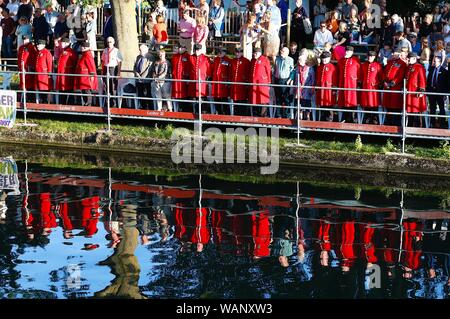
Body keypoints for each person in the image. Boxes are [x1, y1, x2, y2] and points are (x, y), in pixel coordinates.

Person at [383, 50, 407, 126]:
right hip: (387, 87)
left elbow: (401, 75)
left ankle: (396, 123)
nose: (393, 55)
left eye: (395, 53)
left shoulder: (402, 63)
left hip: (395, 86)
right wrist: (385, 81)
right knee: (388, 105)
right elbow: (385, 72)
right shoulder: (390, 62)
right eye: (393, 53)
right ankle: (388, 122)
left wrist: (393, 82)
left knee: (395, 105)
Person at [336, 46, 360, 123]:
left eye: (348, 51)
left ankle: (352, 118)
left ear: (352, 52)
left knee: (351, 100)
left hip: (351, 84)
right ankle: (344, 117)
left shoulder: (355, 60)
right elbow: (338, 72)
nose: (347, 52)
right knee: (343, 100)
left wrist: (358, 82)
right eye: (346, 51)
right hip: (342, 83)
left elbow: (359, 72)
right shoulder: (341, 61)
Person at [361, 51, 384, 124]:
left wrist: (379, 84)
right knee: (366, 102)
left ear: (374, 57)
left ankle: (374, 118)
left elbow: (381, 76)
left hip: (374, 87)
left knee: (374, 103)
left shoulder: (377, 65)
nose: (369, 58)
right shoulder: (364, 65)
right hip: (365, 87)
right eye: (368, 56)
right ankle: (366, 117)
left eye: (371, 56)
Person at [188, 43, 211, 113]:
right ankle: (194, 112)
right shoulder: (191, 57)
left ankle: (203, 112)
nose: (196, 51)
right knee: (193, 98)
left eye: (198, 50)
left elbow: (209, 69)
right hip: (193, 81)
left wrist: (207, 79)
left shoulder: (205, 58)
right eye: (195, 50)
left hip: (202, 82)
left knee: (202, 97)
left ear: (201, 50)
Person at [427, 55, 449, 128]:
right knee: (432, 108)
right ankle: (432, 123)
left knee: (441, 108)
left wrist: (444, 93)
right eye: (434, 61)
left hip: (440, 92)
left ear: (439, 62)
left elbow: (446, 83)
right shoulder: (431, 69)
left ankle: (442, 124)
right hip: (432, 92)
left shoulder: (444, 71)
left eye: (435, 61)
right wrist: (428, 91)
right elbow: (428, 81)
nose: (433, 62)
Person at [291, 53, 315, 121]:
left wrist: (309, 87)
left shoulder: (310, 69)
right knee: (299, 103)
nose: (299, 61)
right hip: (298, 89)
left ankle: (307, 117)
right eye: (299, 60)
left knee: (307, 103)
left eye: (301, 60)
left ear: (305, 61)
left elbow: (312, 79)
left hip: (306, 89)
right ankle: (299, 117)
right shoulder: (296, 69)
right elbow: (294, 78)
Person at [316, 51, 337, 122]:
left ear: (329, 58)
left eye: (326, 58)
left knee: (329, 105)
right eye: (323, 58)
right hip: (321, 88)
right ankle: (322, 120)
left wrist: (334, 89)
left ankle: (330, 121)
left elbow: (334, 78)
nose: (324, 60)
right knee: (321, 105)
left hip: (329, 89)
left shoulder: (332, 67)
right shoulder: (319, 67)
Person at [74, 42, 98, 106]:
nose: (82, 48)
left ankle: (88, 104)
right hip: (83, 76)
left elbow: (91, 65)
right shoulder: (84, 54)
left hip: (86, 76)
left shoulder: (87, 54)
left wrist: (92, 75)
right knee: (84, 90)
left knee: (87, 90)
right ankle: (85, 103)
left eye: (84, 47)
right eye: (82, 46)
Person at [101, 37, 122, 108]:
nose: (109, 43)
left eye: (110, 42)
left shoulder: (116, 51)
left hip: (113, 68)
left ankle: (114, 104)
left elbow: (119, 62)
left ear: (113, 42)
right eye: (108, 42)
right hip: (106, 68)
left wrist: (118, 73)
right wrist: (102, 71)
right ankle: (107, 103)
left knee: (113, 87)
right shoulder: (105, 50)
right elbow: (103, 61)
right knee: (106, 86)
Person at [249, 47, 271, 117]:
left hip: (262, 83)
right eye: (253, 53)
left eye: (255, 53)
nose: (254, 54)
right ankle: (255, 115)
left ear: (260, 53)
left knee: (263, 99)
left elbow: (268, 71)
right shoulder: (252, 60)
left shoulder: (265, 59)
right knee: (254, 99)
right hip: (254, 83)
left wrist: (269, 82)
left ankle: (263, 115)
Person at [273, 47, 294, 118]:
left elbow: (292, 71)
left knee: (286, 98)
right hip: (277, 80)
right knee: (278, 98)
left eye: (283, 51)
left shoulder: (290, 60)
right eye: (281, 50)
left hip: (285, 81)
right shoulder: (277, 59)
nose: (281, 52)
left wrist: (290, 80)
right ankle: (278, 115)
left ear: (287, 53)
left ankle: (286, 115)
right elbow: (275, 70)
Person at [55, 38, 77, 105]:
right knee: (63, 90)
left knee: (69, 90)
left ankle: (69, 105)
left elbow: (74, 62)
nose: (61, 44)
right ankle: (62, 104)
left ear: (66, 43)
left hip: (67, 75)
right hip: (63, 75)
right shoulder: (64, 51)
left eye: (62, 42)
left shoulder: (70, 51)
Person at [230, 46, 251, 116]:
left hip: (242, 85)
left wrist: (247, 83)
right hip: (235, 85)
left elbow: (248, 73)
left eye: (238, 52)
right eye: (236, 52)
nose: (237, 54)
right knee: (235, 102)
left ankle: (243, 117)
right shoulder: (233, 61)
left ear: (241, 53)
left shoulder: (246, 61)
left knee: (243, 102)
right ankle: (236, 117)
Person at [211, 47, 232, 115]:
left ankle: (226, 115)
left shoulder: (228, 60)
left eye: (221, 52)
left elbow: (230, 72)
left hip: (223, 84)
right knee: (216, 99)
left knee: (224, 100)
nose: (219, 53)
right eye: (218, 52)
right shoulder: (216, 59)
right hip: (216, 83)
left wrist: (228, 81)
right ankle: (218, 113)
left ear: (224, 52)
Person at [171, 44, 190, 112]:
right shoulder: (175, 56)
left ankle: (185, 110)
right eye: (179, 48)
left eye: (181, 48)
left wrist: (187, 77)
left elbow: (189, 68)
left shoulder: (188, 56)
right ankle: (178, 109)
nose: (180, 49)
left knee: (184, 95)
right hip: (176, 79)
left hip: (183, 79)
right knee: (176, 94)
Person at [133, 44, 153, 110]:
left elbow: (149, 69)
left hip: (147, 79)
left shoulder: (150, 57)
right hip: (138, 79)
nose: (139, 51)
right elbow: (135, 67)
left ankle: (150, 107)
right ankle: (143, 106)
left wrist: (142, 77)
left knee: (148, 94)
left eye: (140, 50)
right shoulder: (138, 57)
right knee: (140, 93)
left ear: (145, 50)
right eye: (139, 50)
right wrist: (137, 75)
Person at [17, 35, 36, 101]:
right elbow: (19, 58)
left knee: (29, 86)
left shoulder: (32, 47)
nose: (25, 41)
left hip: (28, 70)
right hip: (22, 70)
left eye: (26, 39)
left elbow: (33, 58)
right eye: (24, 39)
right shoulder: (21, 47)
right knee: (22, 85)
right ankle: (23, 100)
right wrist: (19, 67)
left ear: (29, 39)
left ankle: (30, 100)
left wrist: (30, 67)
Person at [34, 39, 53, 104]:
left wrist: (49, 73)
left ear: (43, 45)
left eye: (39, 45)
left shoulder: (47, 52)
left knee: (44, 88)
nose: (38, 46)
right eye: (37, 45)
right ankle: (41, 101)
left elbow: (49, 63)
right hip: (38, 74)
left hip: (44, 75)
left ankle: (45, 102)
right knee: (40, 88)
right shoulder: (38, 52)